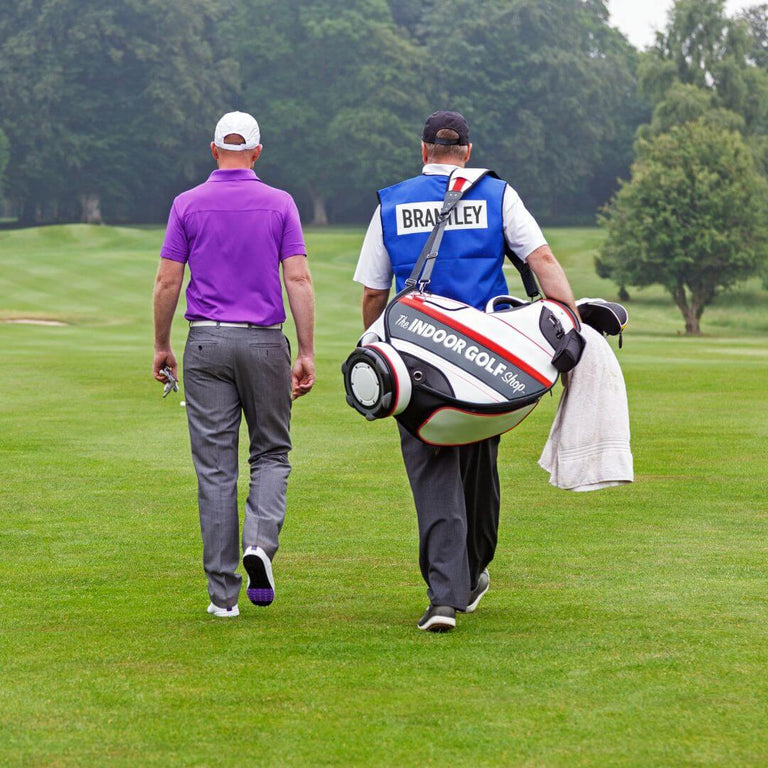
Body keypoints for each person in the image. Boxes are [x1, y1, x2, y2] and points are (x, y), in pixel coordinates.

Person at [353, 110, 579, 632]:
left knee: (433, 468)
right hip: (486, 360)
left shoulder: (391, 201)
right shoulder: (497, 195)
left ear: (423, 150)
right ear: (468, 153)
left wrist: (380, 350)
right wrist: (570, 325)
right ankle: (471, 572)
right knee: (479, 464)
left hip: (416, 361)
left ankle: (444, 597)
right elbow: (542, 260)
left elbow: (373, 293)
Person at [153, 110, 315, 618]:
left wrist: (162, 344)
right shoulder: (280, 203)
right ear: (257, 152)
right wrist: (306, 351)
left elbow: (167, 281)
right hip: (264, 342)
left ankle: (223, 597)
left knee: (215, 469)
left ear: (213, 149)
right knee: (271, 453)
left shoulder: (186, 203)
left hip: (204, 343)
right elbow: (298, 279)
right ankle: (259, 543)